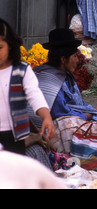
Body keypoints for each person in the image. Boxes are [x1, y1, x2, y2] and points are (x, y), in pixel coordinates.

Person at [33, 28, 97, 141]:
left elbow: (76, 103)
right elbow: (60, 113)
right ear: (63, 59)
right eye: (74, 56)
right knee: (93, 126)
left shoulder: (65, 76)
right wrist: (87, 115)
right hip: (45, 129)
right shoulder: (50, 80)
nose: (77, 60)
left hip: (63, 120)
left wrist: (90, 109)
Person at [0, 18, 55, 155]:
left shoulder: (22, 70)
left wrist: (46, 117)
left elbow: (34, 94)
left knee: (13, 172)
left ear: (10, 45)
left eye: (0, 47)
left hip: (15, 136)